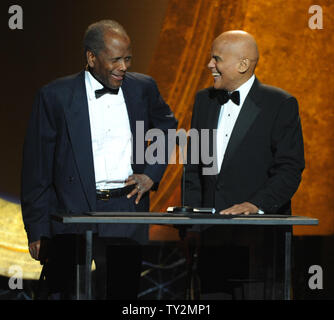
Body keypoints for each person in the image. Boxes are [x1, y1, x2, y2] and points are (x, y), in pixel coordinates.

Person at [21, 20, 178, 299]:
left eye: (128, 58)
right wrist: (37, 230)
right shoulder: (55, 96)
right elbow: (37, 169)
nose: (124, 67)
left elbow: (167, 126)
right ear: (91, 57)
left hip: (126, 211)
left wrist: (152, 174)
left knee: (122, 295)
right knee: (66, 293)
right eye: (115, 59)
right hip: (71, 214)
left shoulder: (143, 88)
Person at [183, 30, 304, 298]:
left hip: (259, 242)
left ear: (242, 65)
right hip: (212, 239)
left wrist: (256, 205)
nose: (209, 65)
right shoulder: (204, 100)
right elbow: (193, 166)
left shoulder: (280, 104)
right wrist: (191, 222)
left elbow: (290, 168)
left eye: (216, 59)